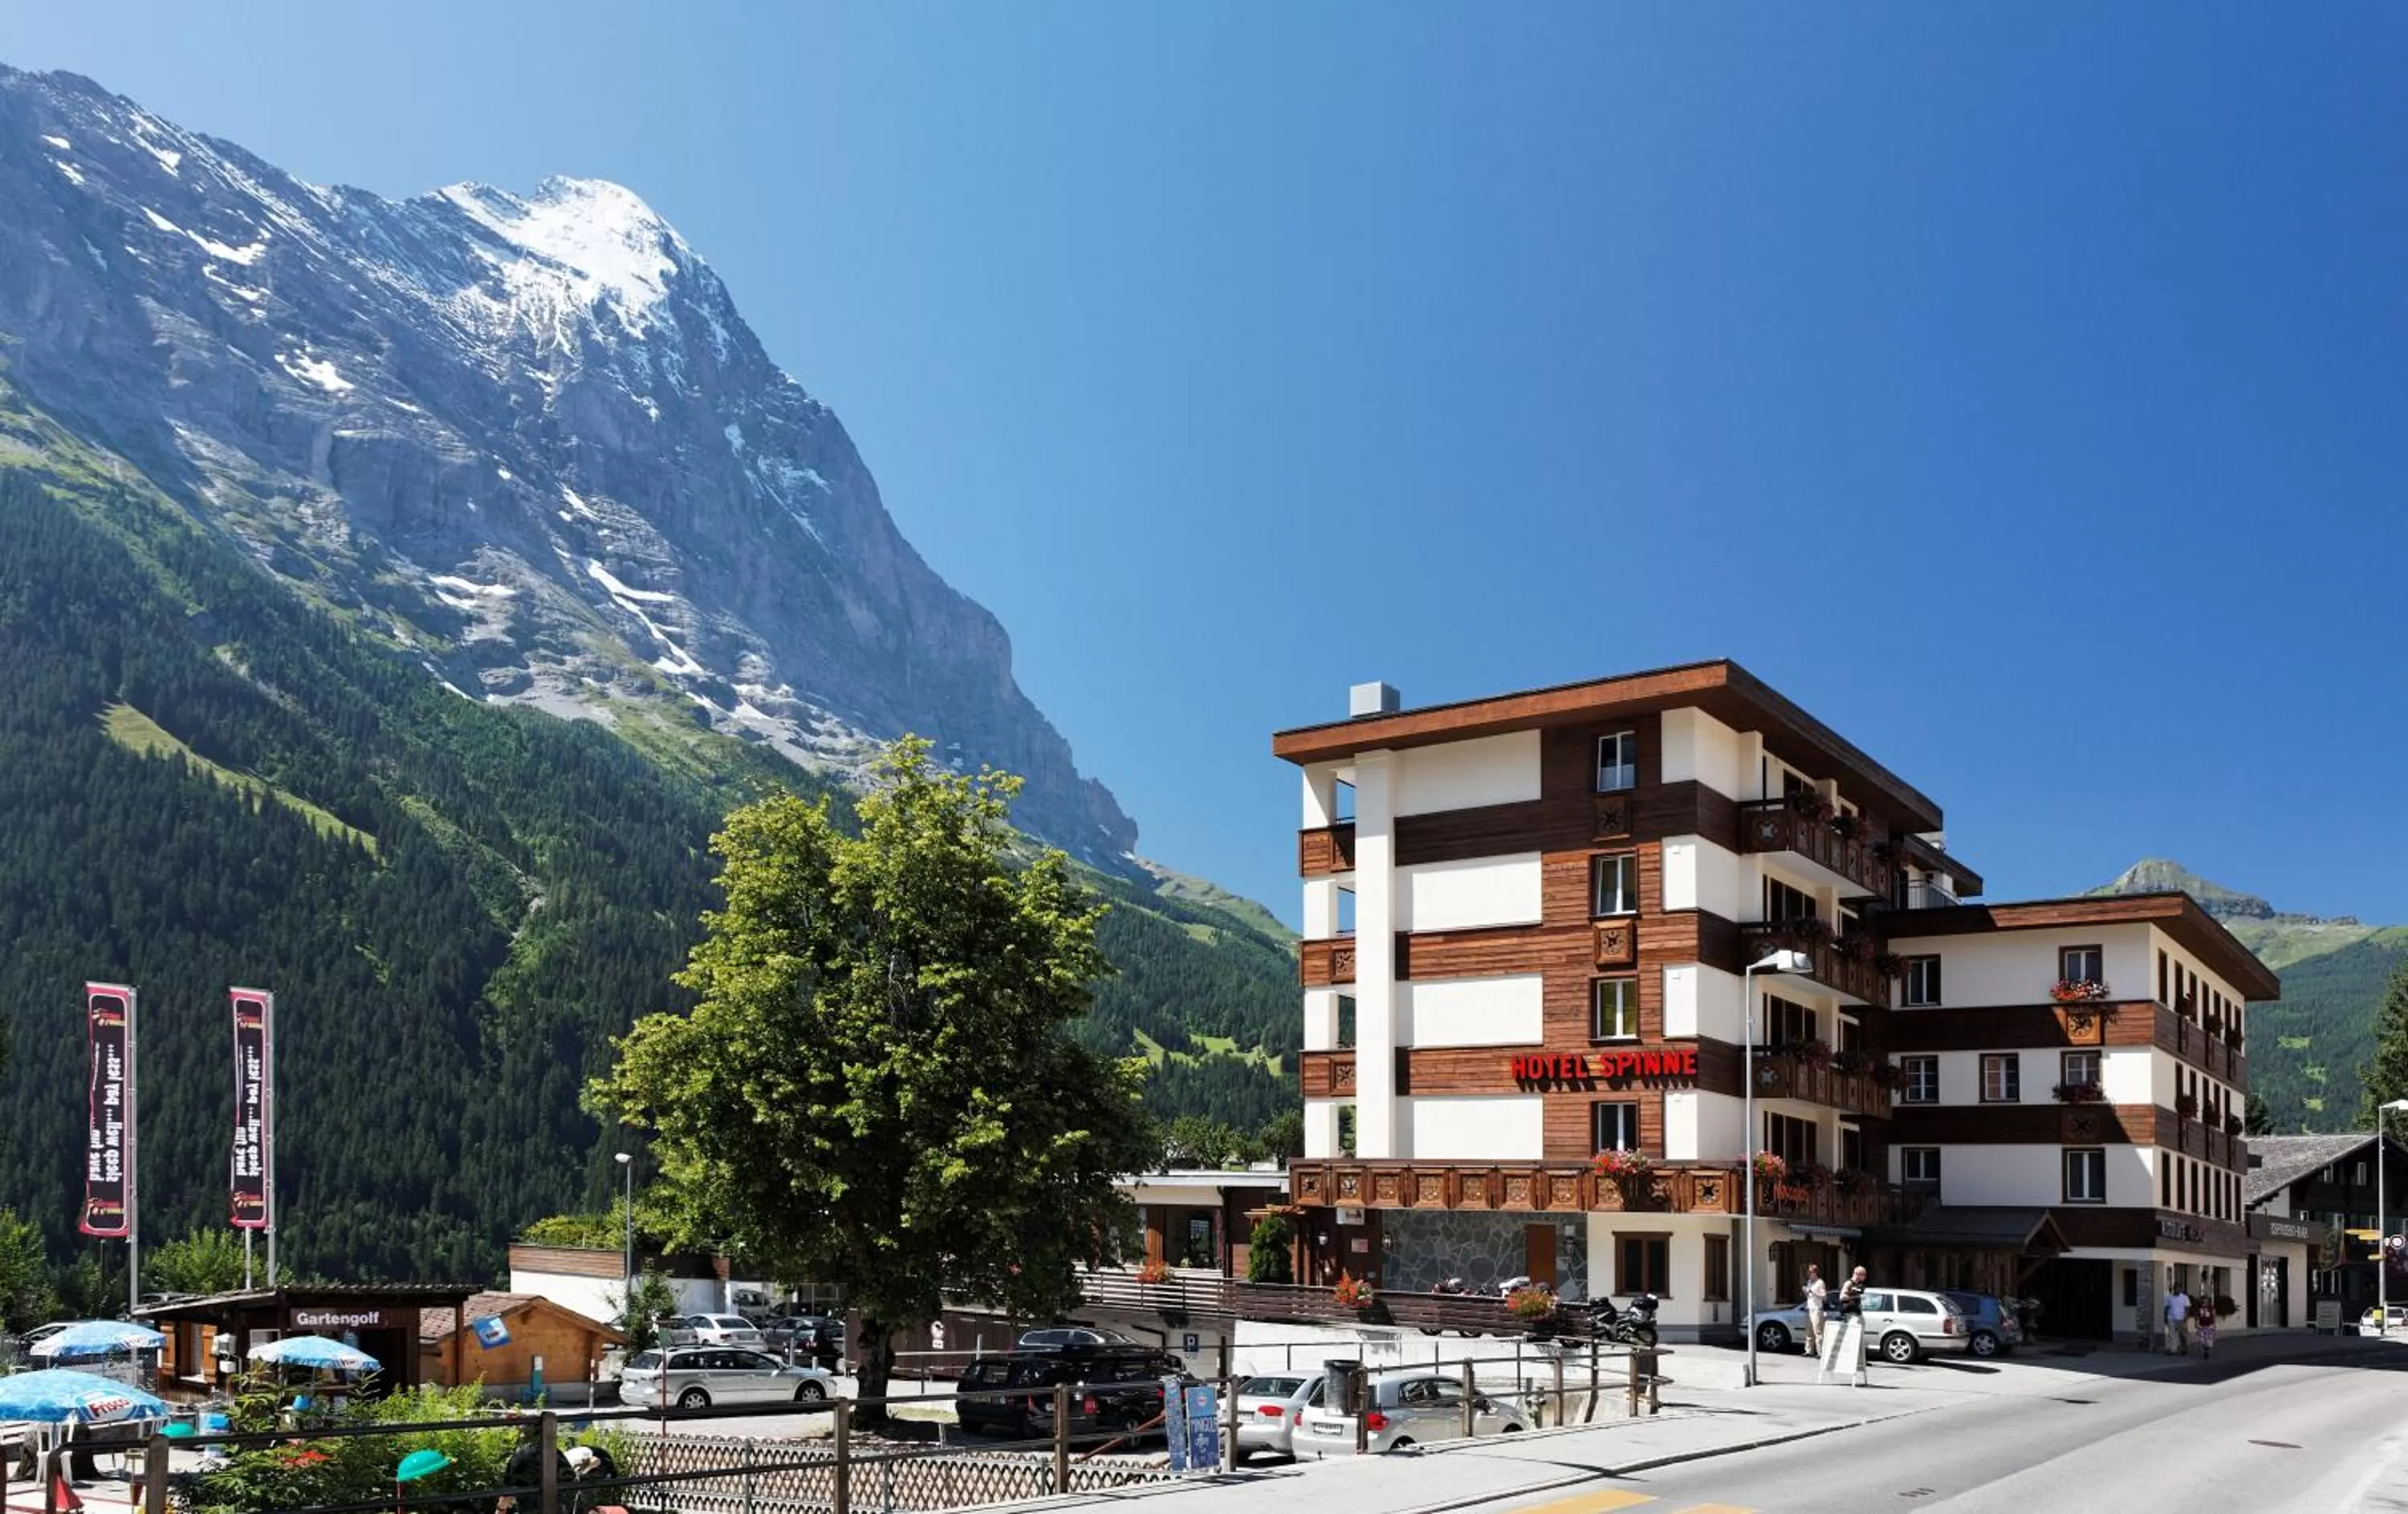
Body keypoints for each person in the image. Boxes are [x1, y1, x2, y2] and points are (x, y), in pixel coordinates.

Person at [1803, 1264, 1828, 1357]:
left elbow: (1824, 1296)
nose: (1809, 1274)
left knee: (1817, 1331)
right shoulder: (1810, 1282)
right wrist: (1806, 1292)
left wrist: (1812, 1291)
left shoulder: (1820, 1282)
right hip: (1809, 1308)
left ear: (1815, 1273)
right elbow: (1809, 1297)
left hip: (1817, 1309)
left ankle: (1820, 1352)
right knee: (1809, 1331)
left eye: (1810, 1272)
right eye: (1808, 1272)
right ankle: (1809, 1351)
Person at [2164, 1286, 2191, 1355]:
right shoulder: (2169, 1297)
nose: (2177, 1290)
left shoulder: (2184, 1297)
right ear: (2173, 1289)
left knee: (2183, 1334)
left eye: (2178, 1289)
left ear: (2181, 1290)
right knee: (2171, 1334)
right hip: (2171, 1317)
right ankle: (2173, 1349)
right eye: (2176, 1289)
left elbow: (2187, 1308)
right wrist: (2165, 1317)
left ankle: (2184, 1348)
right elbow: (2166, 1308)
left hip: (2181, 1318)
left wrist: (2186, 1317)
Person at [2194, 1295, 2218, 1359]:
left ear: (2208, 1302)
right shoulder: (2199, 1309)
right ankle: (2205, 1349)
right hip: (2202, 1327)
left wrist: (2214, 1324)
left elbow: (2214, 1316)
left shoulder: (2211, 1308)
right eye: (2203, 1302)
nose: (2204, 1304)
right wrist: (2196, 1323)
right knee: (2202, 1341)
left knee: (2209, 1342)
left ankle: (2207, 1349)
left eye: (2206, 1302)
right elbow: (2197, 1317)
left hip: (2209, 1326)